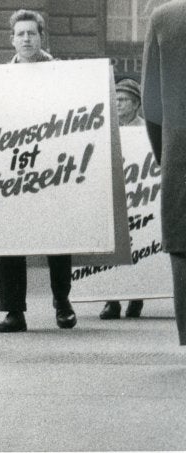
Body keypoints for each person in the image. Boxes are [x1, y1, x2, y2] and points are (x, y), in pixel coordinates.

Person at [0, 9, 75, 334]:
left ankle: (62, 302)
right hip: (12, 166)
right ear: (11, 40)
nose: (26, 39)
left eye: (32, 33)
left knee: (58, 236)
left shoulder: (61, 74)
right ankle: (14, 311)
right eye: (21, 34)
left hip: (52, 164)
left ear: (42, 37)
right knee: (11, 238)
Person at [141, 0, 186, 345]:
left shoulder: (165, 17)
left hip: (181, 156)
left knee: (184, 247)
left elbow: (151, 104)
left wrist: (166, 156)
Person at [101, 77, 145, 320]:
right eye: (114, 99)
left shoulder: (145, 129)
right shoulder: (106, 128)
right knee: (113, 247)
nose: (117, 104)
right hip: (114, 195)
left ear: (136, 103)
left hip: (140, 195)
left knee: (138, 245)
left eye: (123, 100)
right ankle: (112, 301)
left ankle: (136, 297)